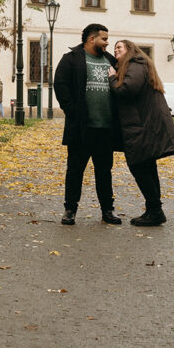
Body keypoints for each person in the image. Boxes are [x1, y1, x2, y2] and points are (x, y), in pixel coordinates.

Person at [53, 23, 122, 226]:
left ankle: (107, 210)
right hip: (81, 128)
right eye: (104, 39)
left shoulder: (110, 60)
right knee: (75, 171)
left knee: (104, 172)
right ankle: (70, 210)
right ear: (92, 39)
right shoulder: (71, 59)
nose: (107, 43)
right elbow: (61, 86)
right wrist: (72, 112)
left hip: (105, 129)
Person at [108, 40, 174, 227]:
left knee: (139, 167)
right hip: (144, 124)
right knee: (147, 166)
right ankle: (154, 209)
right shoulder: (138, 64)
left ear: (130, 50)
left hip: (142, 126)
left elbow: (127, 89)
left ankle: (155, 211)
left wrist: (112, 78)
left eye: (119, 47)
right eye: (114, 48)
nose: (115, 50)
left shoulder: (136, 64)